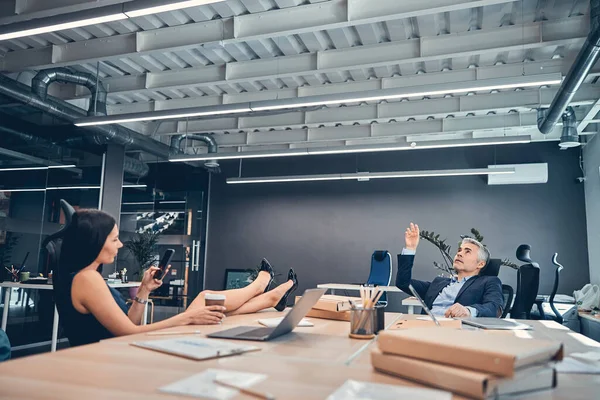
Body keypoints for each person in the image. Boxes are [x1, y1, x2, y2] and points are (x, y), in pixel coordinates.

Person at [53, 209, 298, 346]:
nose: (120, 244)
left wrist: (144, 291)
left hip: (121, 348)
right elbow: (127, 332)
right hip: (113, 356)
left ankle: (268, 295)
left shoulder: (86, 277)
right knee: (204, 301)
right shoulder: (87, 279)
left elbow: (128, 324)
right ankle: (261, 287)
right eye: (114, 239)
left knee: (210, 309)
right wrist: (186, 318)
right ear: (96, 243)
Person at [396, 223, 503, 318]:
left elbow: (494, 308)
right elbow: (403, 283)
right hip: (426, 328)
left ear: (480, 264)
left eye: (467, 252)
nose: (459, 253)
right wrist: (410, 249)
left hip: (457, 333)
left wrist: (468, 310)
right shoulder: (439, 282)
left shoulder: (488, 282)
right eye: (459, 250)